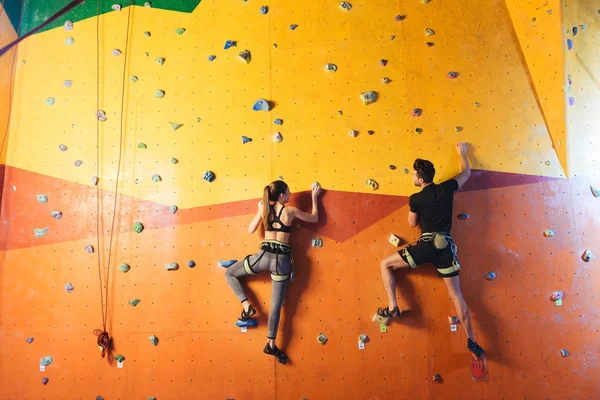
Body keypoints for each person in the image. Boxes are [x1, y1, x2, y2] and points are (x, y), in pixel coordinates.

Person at [375, 142, 485, 359]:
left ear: (421, 179)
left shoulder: (416, 198)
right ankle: (471, 341)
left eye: (414, 175)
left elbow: (412, 224)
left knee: (385, 264)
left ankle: (393, 306)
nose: (413, 178)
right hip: (446, 248)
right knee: (456, 295)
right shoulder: (446, 188)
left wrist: (417, 209)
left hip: (426, 245)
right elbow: (466, 173)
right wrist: (462, 154)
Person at [224, 180, 321, 362]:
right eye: (288, 191)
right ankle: (270, 344)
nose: (291, 193)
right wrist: (315, 198)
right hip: (281, 262)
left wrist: (259, 211)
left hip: (263, 257)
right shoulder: (290, 211)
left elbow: (251, 229)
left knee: (229, 273)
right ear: (282, 196)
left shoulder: (265, 211)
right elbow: (314, 218)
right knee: (276, 306)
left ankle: (247, 306)